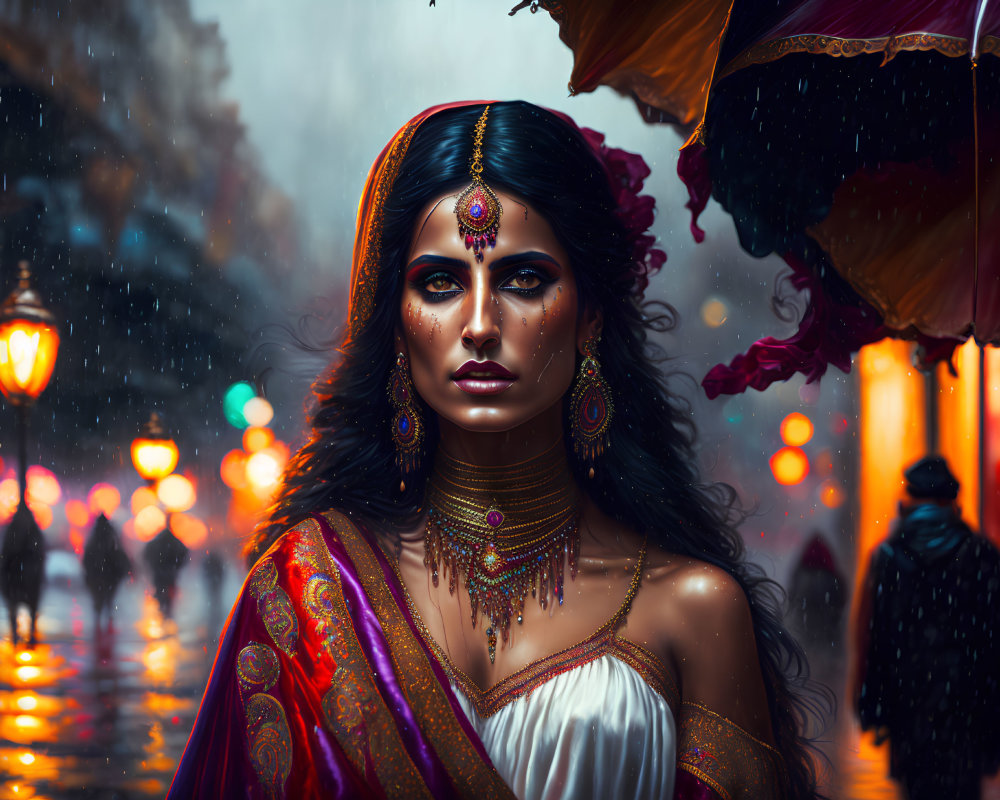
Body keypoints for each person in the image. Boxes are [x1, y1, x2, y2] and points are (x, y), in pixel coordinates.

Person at [169, 101, 821, 799]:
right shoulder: (303, 593)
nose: (480, 325)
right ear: (396, 325)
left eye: (524, 279)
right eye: (440, 283)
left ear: (590, 318)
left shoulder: (693, 612)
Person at [853, 455, 1000, 800]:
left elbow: (875, 637)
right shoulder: (981, 554)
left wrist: (872, 703)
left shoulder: (890, 557)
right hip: (967, 704)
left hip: (909, 700)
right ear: (953, 501)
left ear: (910, 499)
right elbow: (994, 639)